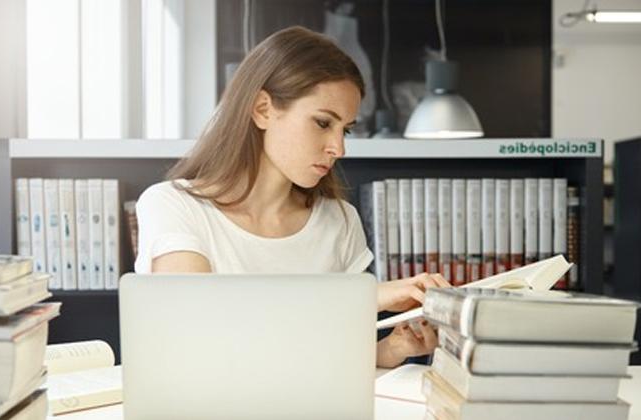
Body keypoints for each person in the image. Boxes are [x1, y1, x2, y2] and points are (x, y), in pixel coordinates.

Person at [134, 26, 450, 368]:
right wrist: (360, 298)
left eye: (345, 130)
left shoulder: (339, 221)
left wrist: (392, 350)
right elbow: (198, 326)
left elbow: (324, 361)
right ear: (263, 109)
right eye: (322, 123)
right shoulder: (172, 205)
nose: (338, 148)